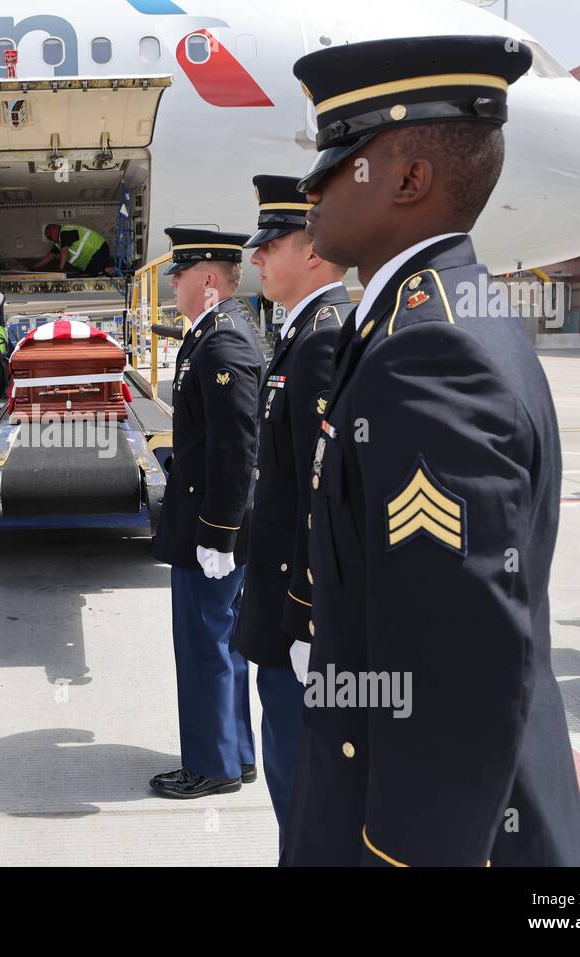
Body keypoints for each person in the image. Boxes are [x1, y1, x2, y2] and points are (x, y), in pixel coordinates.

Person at [284, 36, 580, 866]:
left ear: (411, 181)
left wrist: (407, 853)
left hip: (421, 830)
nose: (311, 187)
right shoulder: (433, 318)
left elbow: (458, 661)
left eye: (338, 161)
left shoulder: (428, 353)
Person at [234, 174, 349, 855]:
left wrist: (308, 614)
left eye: (269, 245)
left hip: (294, 616)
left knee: (303, 788)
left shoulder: (324, 339)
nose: (256, 259)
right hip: (278, 604)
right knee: (289, 781)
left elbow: (322, 493)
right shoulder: (302, 333)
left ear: (310, 250)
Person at [149, 227, 262, 799]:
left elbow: (236, 447)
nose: (171, 283)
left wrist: (219, 535)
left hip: (209, 531)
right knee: (222, 647)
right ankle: (233, 754)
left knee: (205, 650)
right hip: (206, 524)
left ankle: (212, 766)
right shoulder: (212, 335)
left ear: (209, 281)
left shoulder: (223, 343)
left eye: (181, 273)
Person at [32, 223, 115, 277]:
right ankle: (107, 270)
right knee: (89, 274)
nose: (50, 239)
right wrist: (35, 267)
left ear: (54, 229)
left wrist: (60, 269)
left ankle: (111, 270)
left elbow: (64, 251)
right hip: (91, 258)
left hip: (98, 249)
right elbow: (50, 256)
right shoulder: (59, 243)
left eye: (49, 236)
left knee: (95, 273)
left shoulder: (65, 232)